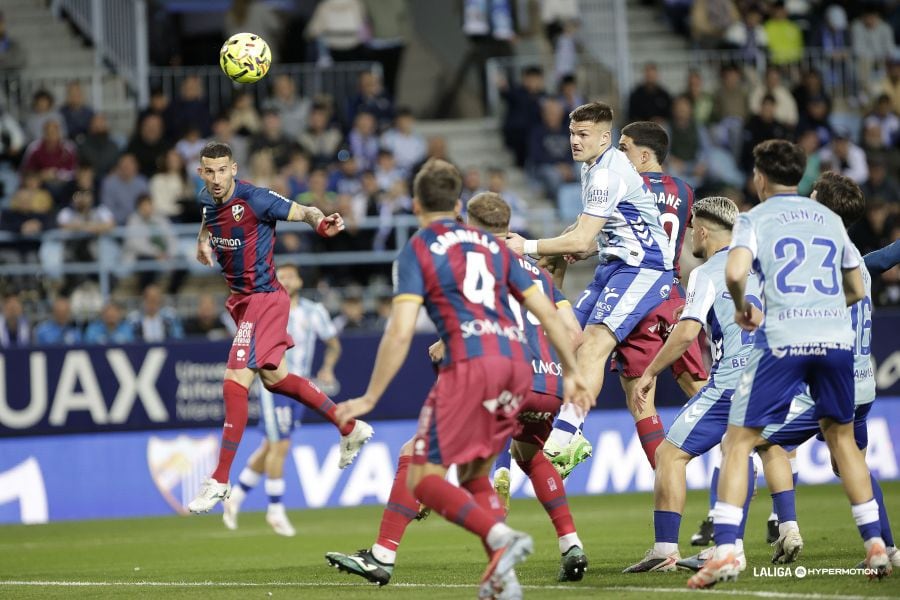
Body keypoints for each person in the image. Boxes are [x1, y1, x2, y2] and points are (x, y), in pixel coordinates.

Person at [332, 160, 592, 598]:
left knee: (418, 464)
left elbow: (399, 332)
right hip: (519, 369)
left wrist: (371, 395)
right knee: (476, 474)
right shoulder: (499, 251)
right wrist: (575, 374)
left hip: (476, 368)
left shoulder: (421, 248)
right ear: (455, 204)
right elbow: (549, 314)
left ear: (414, 205)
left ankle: (475, 542)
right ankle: (502, 571)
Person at [687, 139, 886, 588]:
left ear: (760, 177)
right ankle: (875, 542)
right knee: (842, 441)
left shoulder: (754, 219)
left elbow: (736, 273)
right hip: (835, 341)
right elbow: (856, 285)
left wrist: (743, 306)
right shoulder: (832, 221)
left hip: (784, 340)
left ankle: (725, 552)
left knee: (739, 442)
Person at [186, 141, 372, 514]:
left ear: (234, 169)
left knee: (234, 379)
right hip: (241, 300)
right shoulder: (206, 198)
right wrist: (203, 242)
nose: (218, 178)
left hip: (265, 297)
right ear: (202, 174)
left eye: (224, 170)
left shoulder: (256, 199)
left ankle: (220, 479)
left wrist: (321, 221)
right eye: (210, 171)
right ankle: (349, 426)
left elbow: (302, 210)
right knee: (275, 380)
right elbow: (209, 219)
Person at [506, 104, 675, 477]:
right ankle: (563, 425)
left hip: (644, 267)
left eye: (583, 134)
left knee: (596, 342)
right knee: (567, 336)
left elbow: (582, 238)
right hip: (612, 267)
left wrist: (527, 247)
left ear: (604, 137)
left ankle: (568, 433)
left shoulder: (606, 174)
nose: (574, 141)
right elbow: (583, 238)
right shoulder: (592, 168)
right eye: (572, 134)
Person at [751, 172, 900, 572]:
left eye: (812, 193)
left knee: (767, 442)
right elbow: (878, 261)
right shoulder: (852, 257)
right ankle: (886, 546)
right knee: (850, 463)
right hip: (864, 384)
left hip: (831, 380)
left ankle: (787, 529)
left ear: (818, 202)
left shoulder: (819, 254)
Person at [622, 196, 757, 573]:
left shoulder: (708, 271)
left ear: (701, 230)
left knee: (669, 455)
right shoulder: (759, 264)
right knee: (742, 453)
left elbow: (685, 336)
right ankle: (740, 545)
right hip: (774, 378)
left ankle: (665, 550)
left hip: (732, 381)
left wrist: (648, 373)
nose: (688, 241)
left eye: (690, 231)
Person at [223, 263, 342, 536]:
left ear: (300, 280)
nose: (287, 280)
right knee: (281, 445)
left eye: (291, 276)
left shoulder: (315, 311)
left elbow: (333, 343)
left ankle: (236, 496)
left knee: (269, 447)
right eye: (282, 276)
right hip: (273, 384)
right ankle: (275, 510)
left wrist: (328, 367)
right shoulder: (269, 308)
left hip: (299, 387)